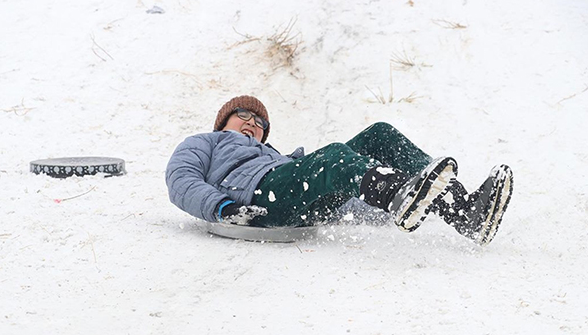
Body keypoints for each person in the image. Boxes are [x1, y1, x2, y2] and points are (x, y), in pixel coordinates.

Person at [165, 95, 514, 246]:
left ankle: (463, 211)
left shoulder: (275, 157)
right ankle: (396, 194)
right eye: (244, 114)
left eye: (260, 122)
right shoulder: (206, 142)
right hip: (258, 199)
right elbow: (181, 180)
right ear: (223, 120)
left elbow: (338, 190)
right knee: (333, 158)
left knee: (379, 134)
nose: (253, 123)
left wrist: (376, 213)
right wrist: (223, 208)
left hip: (287, 194)